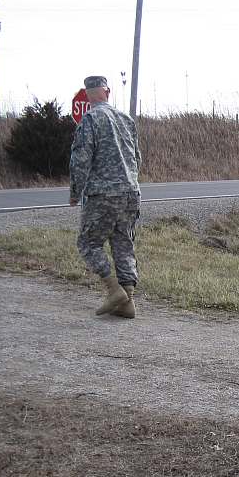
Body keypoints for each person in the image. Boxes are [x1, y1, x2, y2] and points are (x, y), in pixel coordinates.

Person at [69, 75, 142, 318]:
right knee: (123, 243)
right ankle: (128, 302)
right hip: (131, 192)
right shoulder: (126, 120)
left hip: (103, 193)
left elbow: (81, 160)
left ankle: (113, 290)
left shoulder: (90, 119)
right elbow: (137, 158)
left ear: (87, 95)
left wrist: (75, 192)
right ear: (107, 92)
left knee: (88, 243)